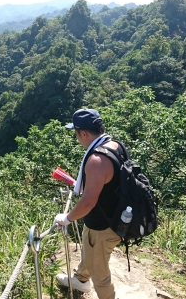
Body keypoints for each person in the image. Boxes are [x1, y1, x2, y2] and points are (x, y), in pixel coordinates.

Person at [54, 108, 122, 299]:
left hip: (103, 226)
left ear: (83, 133)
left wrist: (67, 218)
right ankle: (81, 279)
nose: (77, 139)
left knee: (100, 274)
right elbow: (110, 182)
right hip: (114, 217)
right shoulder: (115, 145)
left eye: (76, 135)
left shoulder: (96, 160)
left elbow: (89, 202)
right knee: (90, 251)